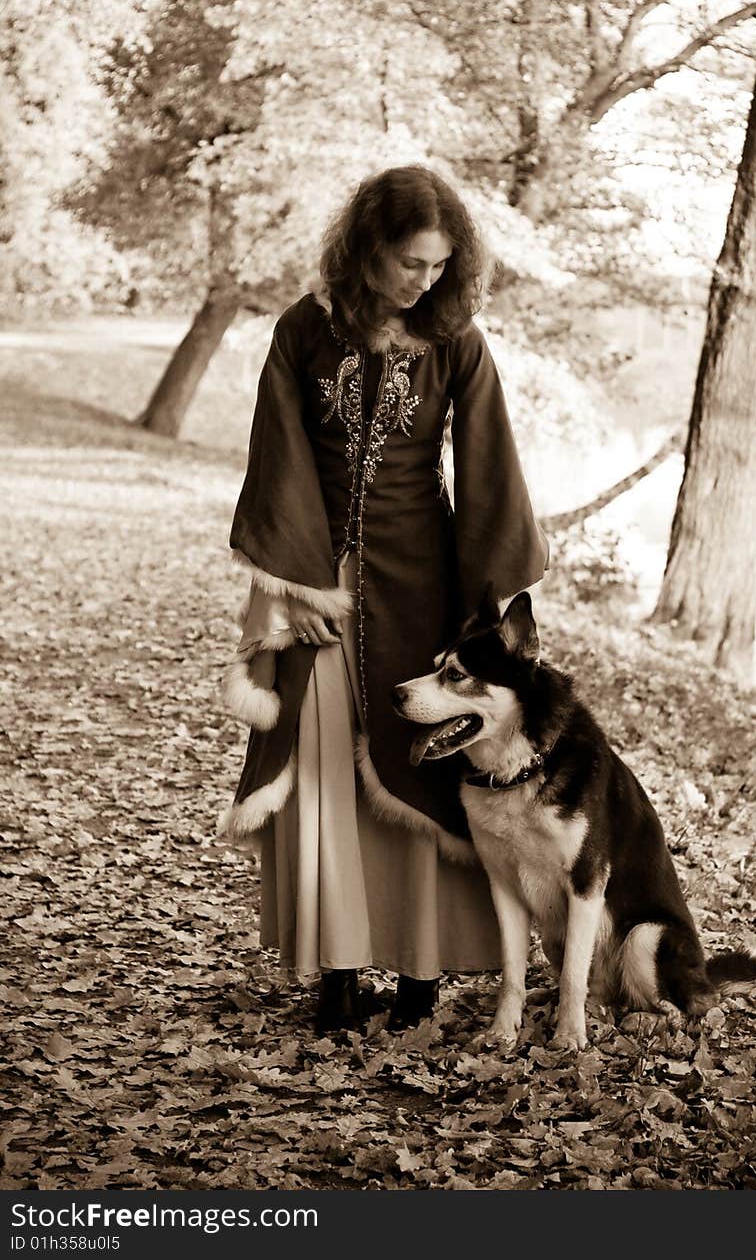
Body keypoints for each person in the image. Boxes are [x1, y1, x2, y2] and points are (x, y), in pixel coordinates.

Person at [219, 164, 548, 1033]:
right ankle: (335, 969)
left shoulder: (456, 341)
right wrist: (302, 581)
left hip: (422, 583)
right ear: (368, 248)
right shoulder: (303, 331)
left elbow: (488, 471)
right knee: (325, 772)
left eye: (440, 265)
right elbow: (278, 454)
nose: (426, 280)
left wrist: (490, 606)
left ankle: (420, 977)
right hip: (317, 581)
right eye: (411, 262)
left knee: (420, 772)